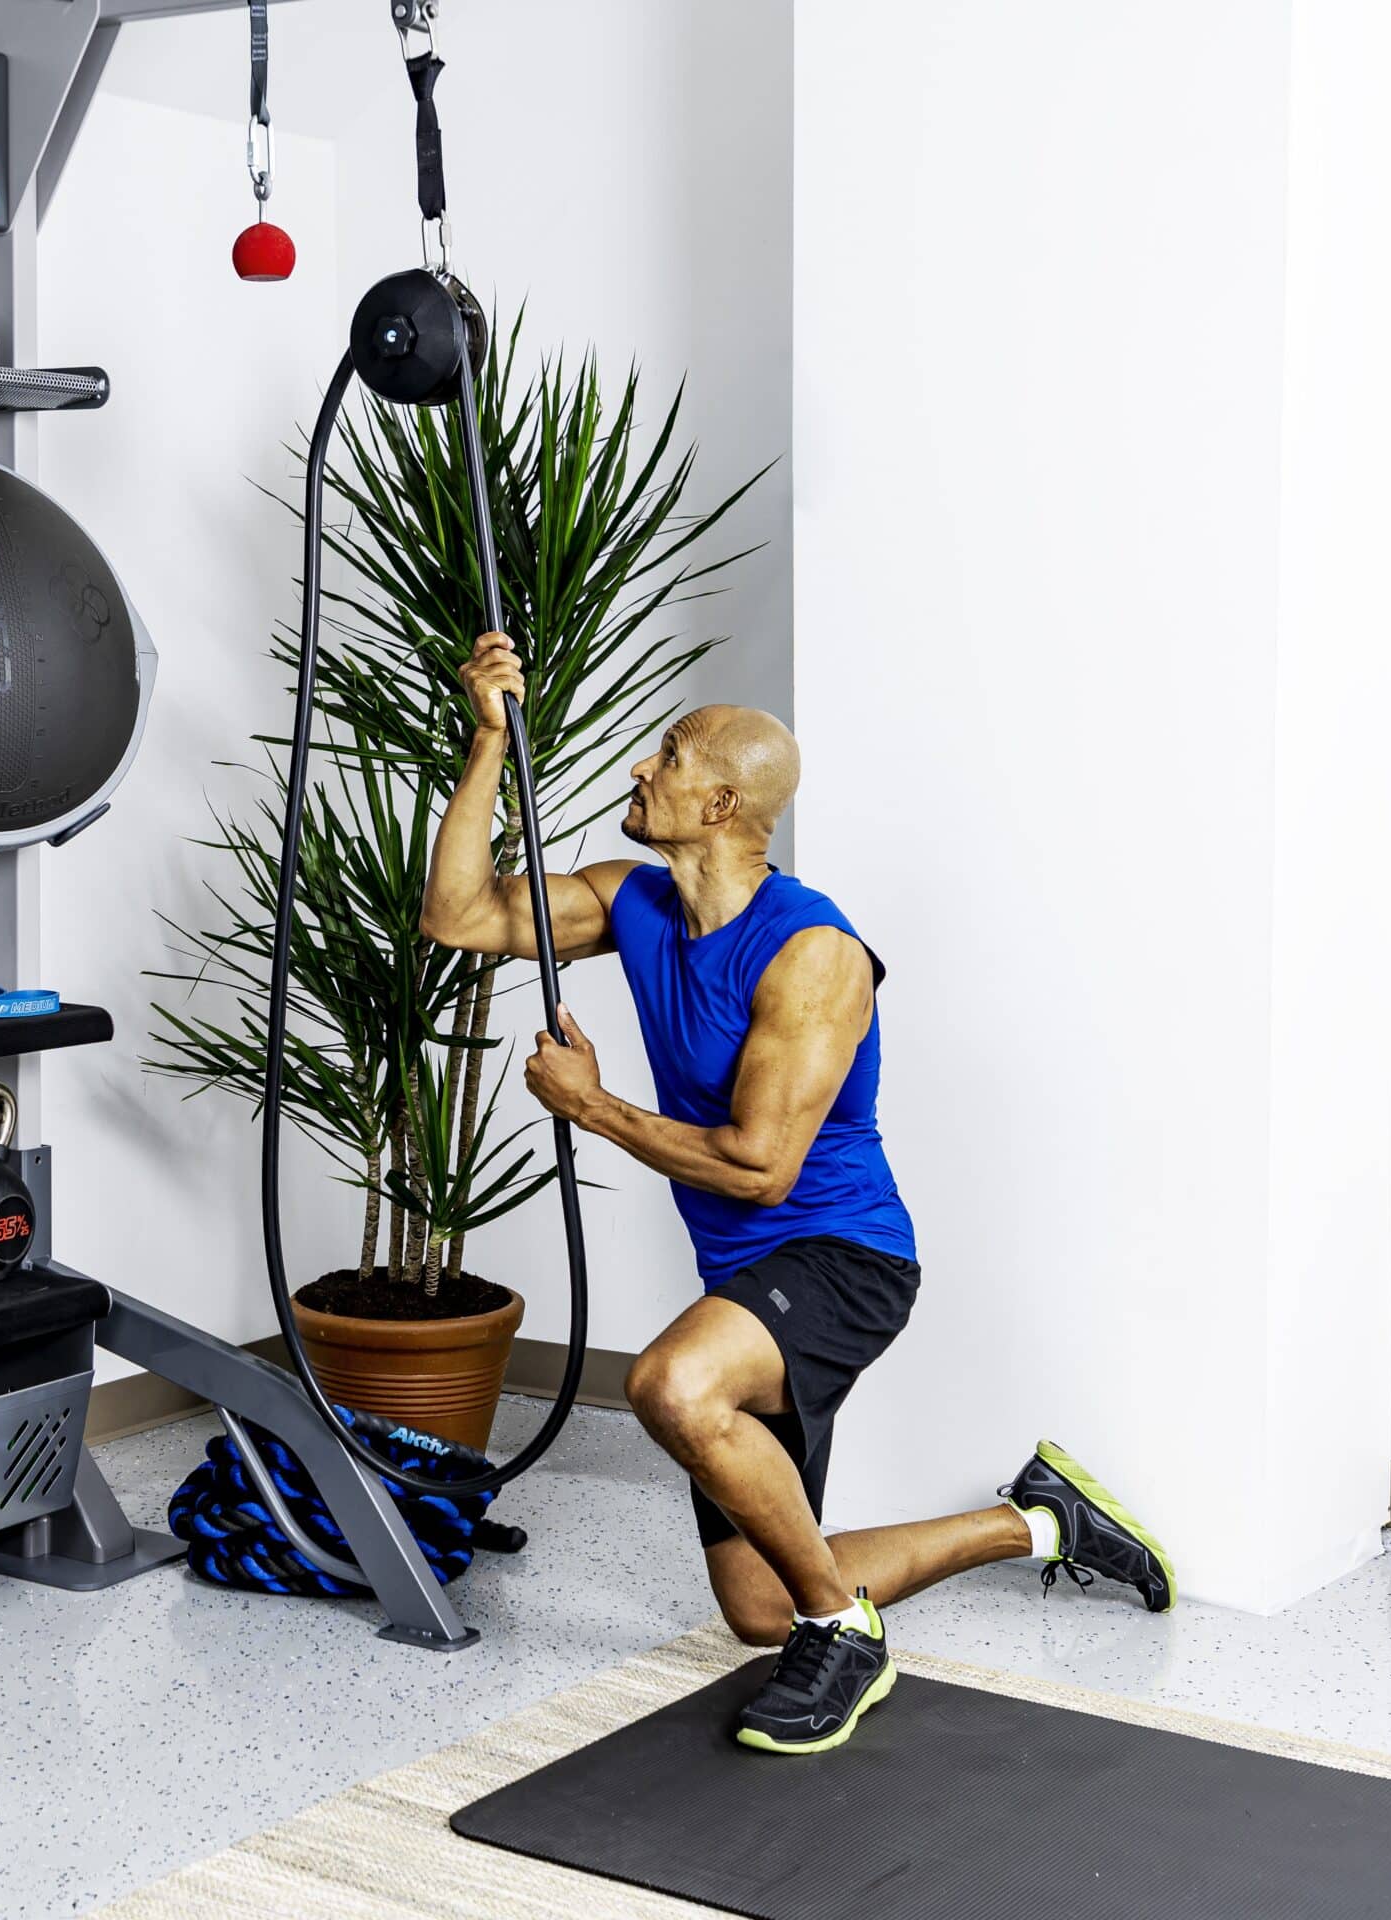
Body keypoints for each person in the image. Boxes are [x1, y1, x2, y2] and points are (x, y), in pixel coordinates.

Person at [417, 634, 1176, 1756]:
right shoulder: (634, 903)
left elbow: (762, 1167)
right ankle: (1042, 1520)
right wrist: (488, 741)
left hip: (843, 1261)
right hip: (751, 1278)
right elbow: (461, 918)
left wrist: (596, 1108)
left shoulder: (813, 954)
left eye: (666, 757)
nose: (640, 768)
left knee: (673, 1386)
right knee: (758, 1614)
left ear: (720, 799)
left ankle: (846, 1631)